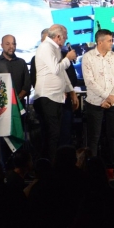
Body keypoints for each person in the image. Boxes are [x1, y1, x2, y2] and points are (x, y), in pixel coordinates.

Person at [81, 29, 114, 176]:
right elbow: (89, 81)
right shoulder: (88, 57)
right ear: (100, 42)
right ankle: (91, 169)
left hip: (113, 103)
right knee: (94, 138)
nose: (112, 43)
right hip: (94, 103)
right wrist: (106, 96)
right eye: (109, 41)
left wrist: (112, 97)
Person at [32, 24, 79, 160]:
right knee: (52, 134)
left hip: (56, 97)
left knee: (56, 134)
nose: (66, 39)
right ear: (58, 36)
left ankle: (53, 163)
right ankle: (48, 165)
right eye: (65, 36)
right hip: (47, 97)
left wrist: (71, 91)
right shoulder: (46, 47)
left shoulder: (55, 48)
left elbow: (62, 72)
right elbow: (55, 69)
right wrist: (68, 58)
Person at [0, 35, 31, 101]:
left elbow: (27, 83)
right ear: (2, 45)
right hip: (0, 103)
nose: (11, 46)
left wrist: (18, 97)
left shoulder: (21, 62)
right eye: (7, 44)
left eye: (13, 44)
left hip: (19, 103)